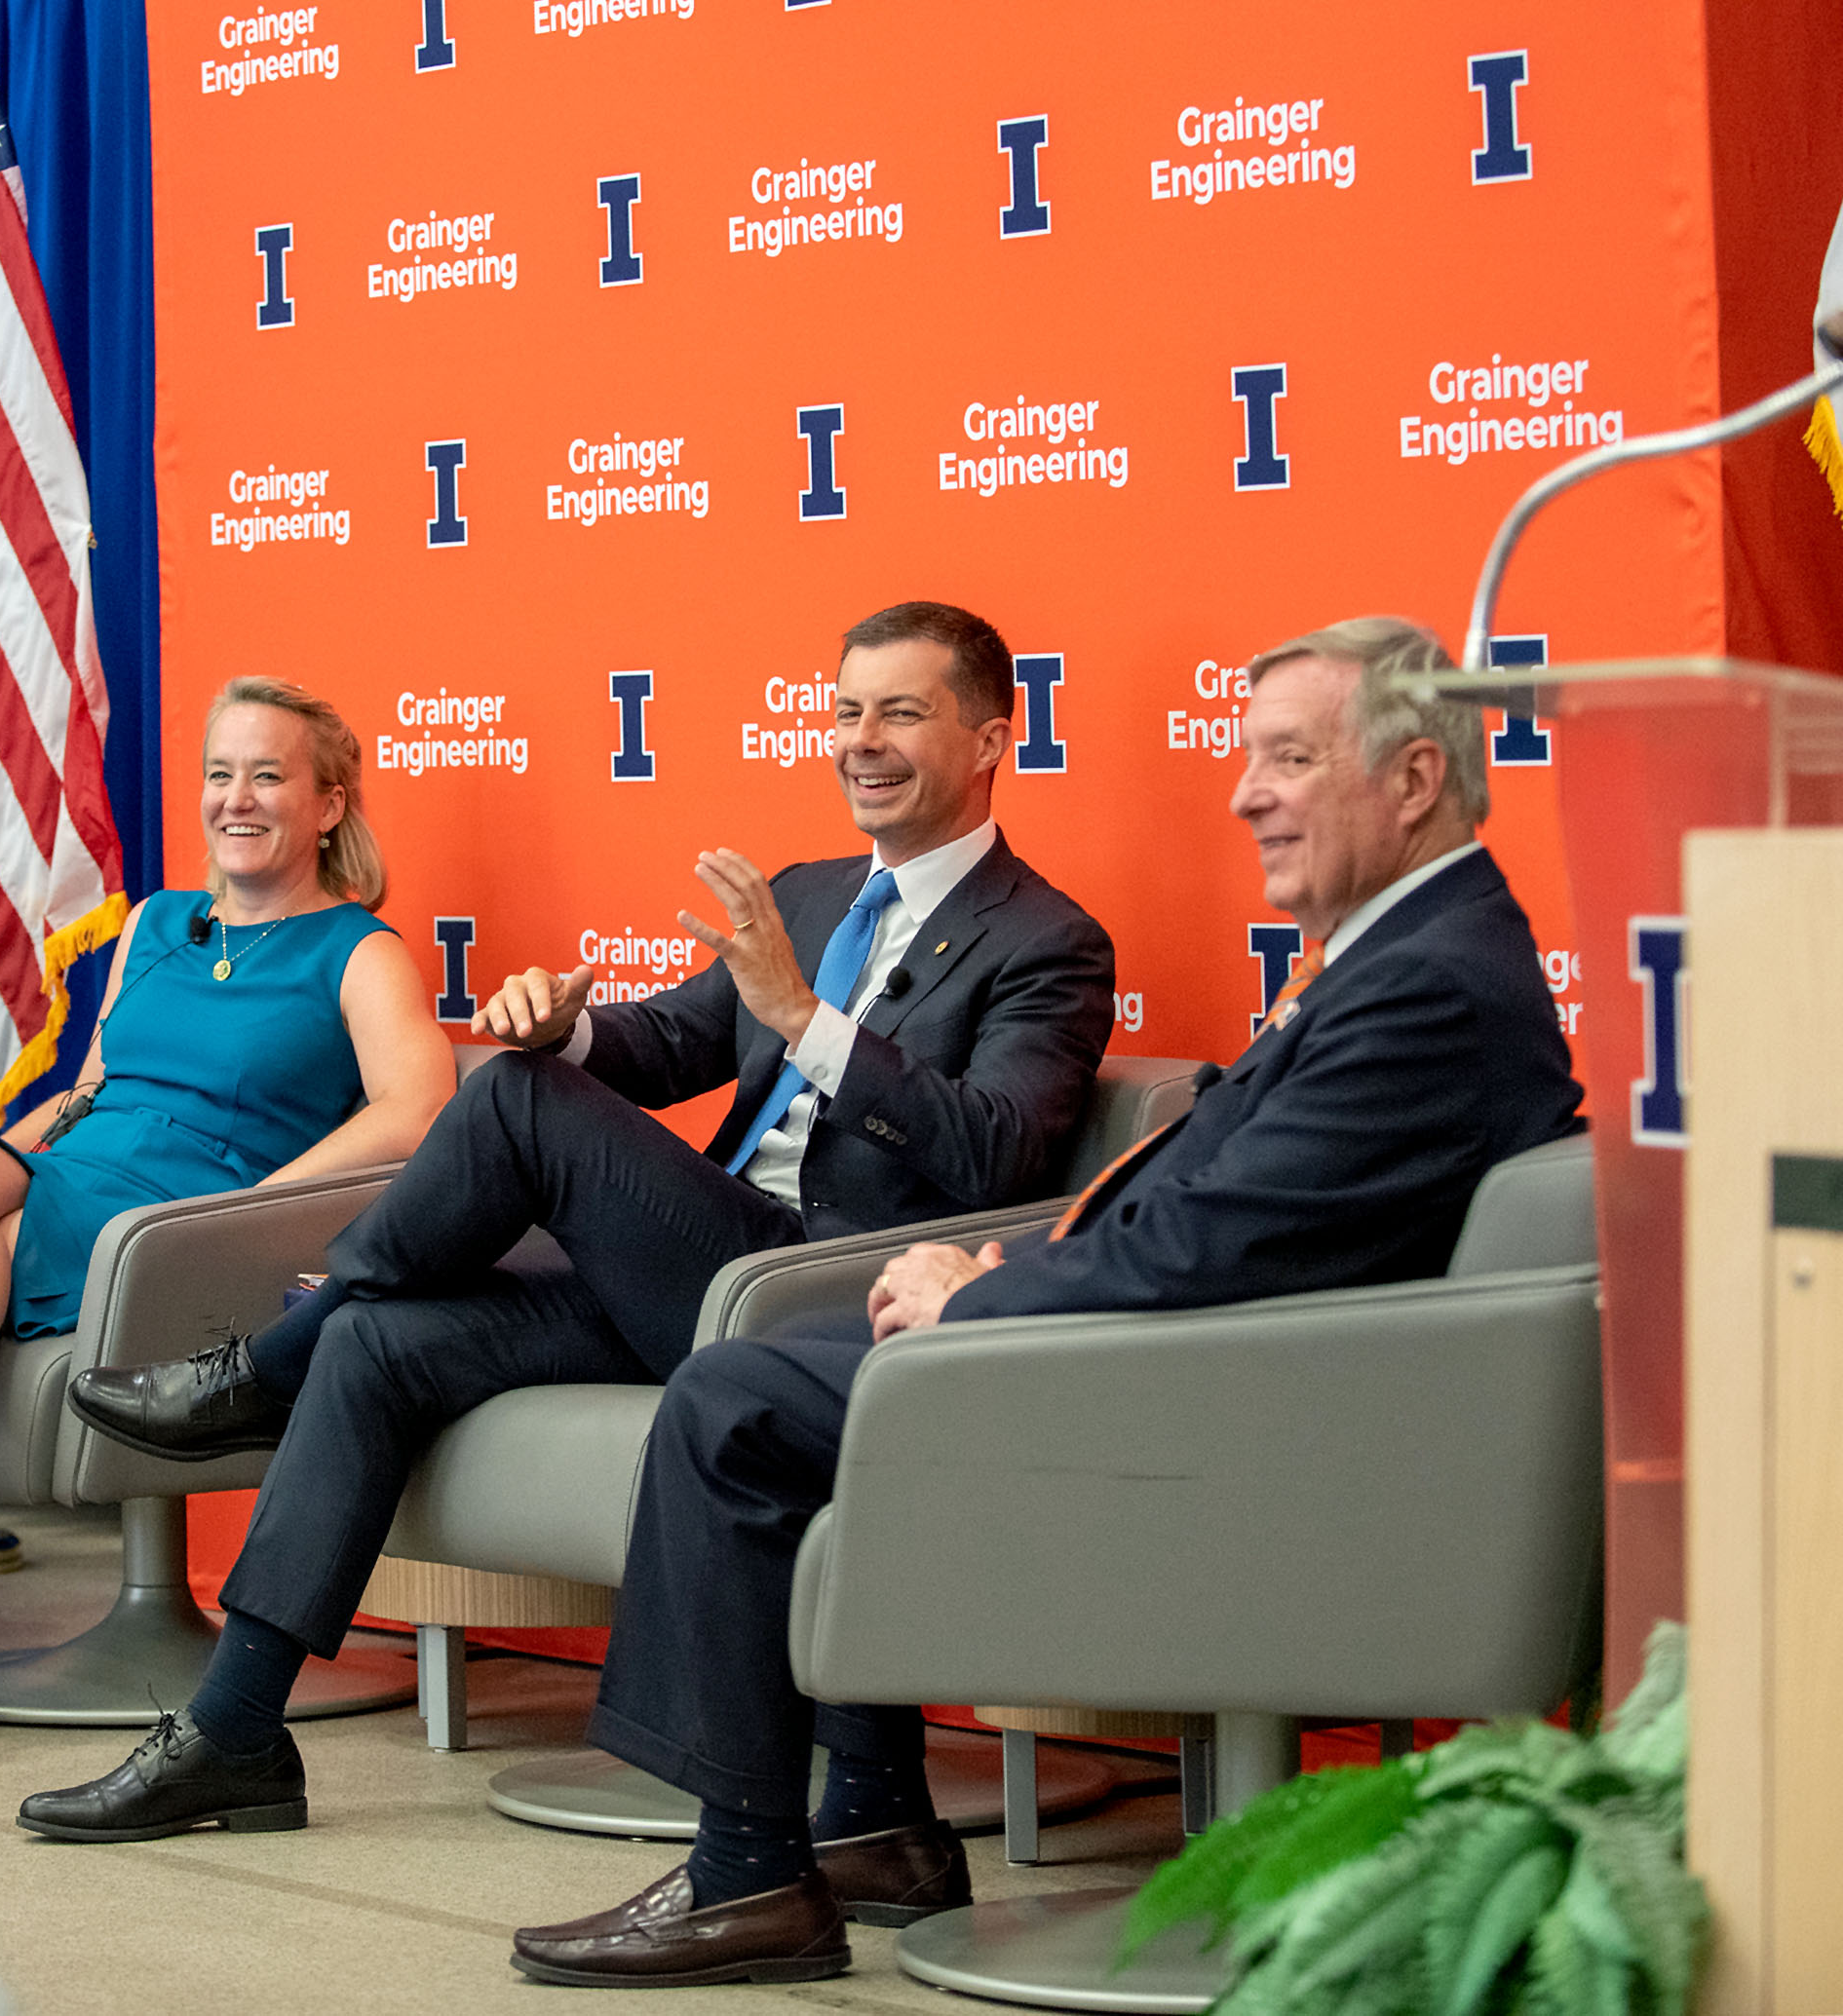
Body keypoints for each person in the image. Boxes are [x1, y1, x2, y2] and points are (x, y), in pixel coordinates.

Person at [508, 616, 1586, 1989]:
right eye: (1250, 757)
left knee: (735, 1399)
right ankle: (853, 1825)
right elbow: (1231, 1218)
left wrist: (982, 1297)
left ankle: (747, 1876)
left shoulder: (1424, 983)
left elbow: (1216, 1243)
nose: (1245, 793)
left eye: (1288, 759)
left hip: (1245, 1432)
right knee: (771, 1353)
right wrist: (1001, 1278)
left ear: (1416, 778)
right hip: (1208, 1374)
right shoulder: (1418, 953)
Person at [24, 600, 1117, 1845]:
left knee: (515, 1103)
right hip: (691, 1272)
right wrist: (570, 1027)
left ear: (992, 737)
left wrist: (806, 1020)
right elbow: (675, 1041)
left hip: (821, 1291)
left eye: (901, 713)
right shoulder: (811, 894)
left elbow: (995, 1148)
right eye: (846, 710)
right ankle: (234, 1732)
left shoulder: (1048, 940)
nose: (861, 740)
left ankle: (270, 1361)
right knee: (386, 1329)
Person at [0, 677, 452, 1749]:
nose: (236, 798)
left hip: (183, 1218)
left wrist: (258, 1203)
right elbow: (92, 1086)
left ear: (328, 804)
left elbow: (419, 1110)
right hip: (85, 1175)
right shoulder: (156, 924)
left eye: (267, 776)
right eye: (219, 774)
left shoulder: (359, 950)